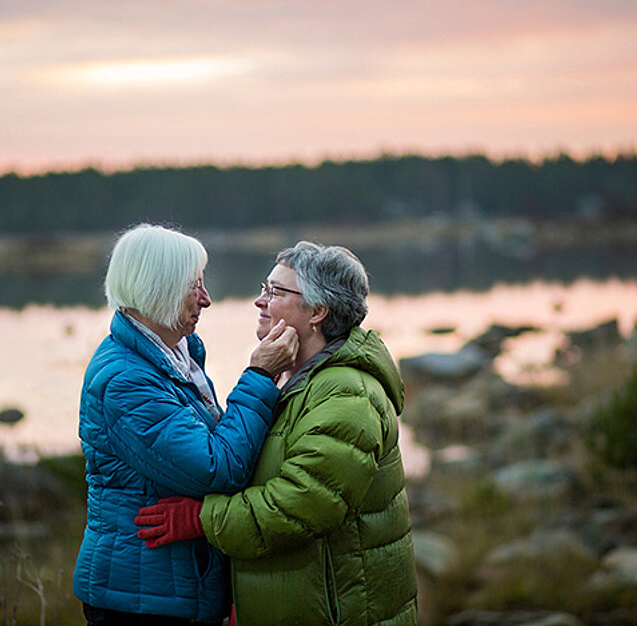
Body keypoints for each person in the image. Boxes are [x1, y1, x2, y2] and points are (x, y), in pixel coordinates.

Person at [136, 241, 418, 626]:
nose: (259, 301)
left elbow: (303, 504)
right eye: (264, 287)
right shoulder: (291, 379)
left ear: (318, 311)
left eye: (275, 292)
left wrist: (203, 518)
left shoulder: (347, 392)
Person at [73, 223, 299, 626]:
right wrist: (260, 377)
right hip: (141, 601)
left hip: (174, 586)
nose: (207, 299)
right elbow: (218, 468)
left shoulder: (176, 356)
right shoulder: (125, 379)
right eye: (194, 285)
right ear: (158, 287)